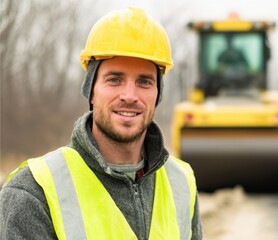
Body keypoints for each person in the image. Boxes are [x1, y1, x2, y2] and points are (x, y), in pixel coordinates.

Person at [0, 7, 202, 239]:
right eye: (114, 79)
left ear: (157, 95)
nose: (129, 95)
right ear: (91, 91)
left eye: (144, 82)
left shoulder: (182, 182)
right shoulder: (33, 190)